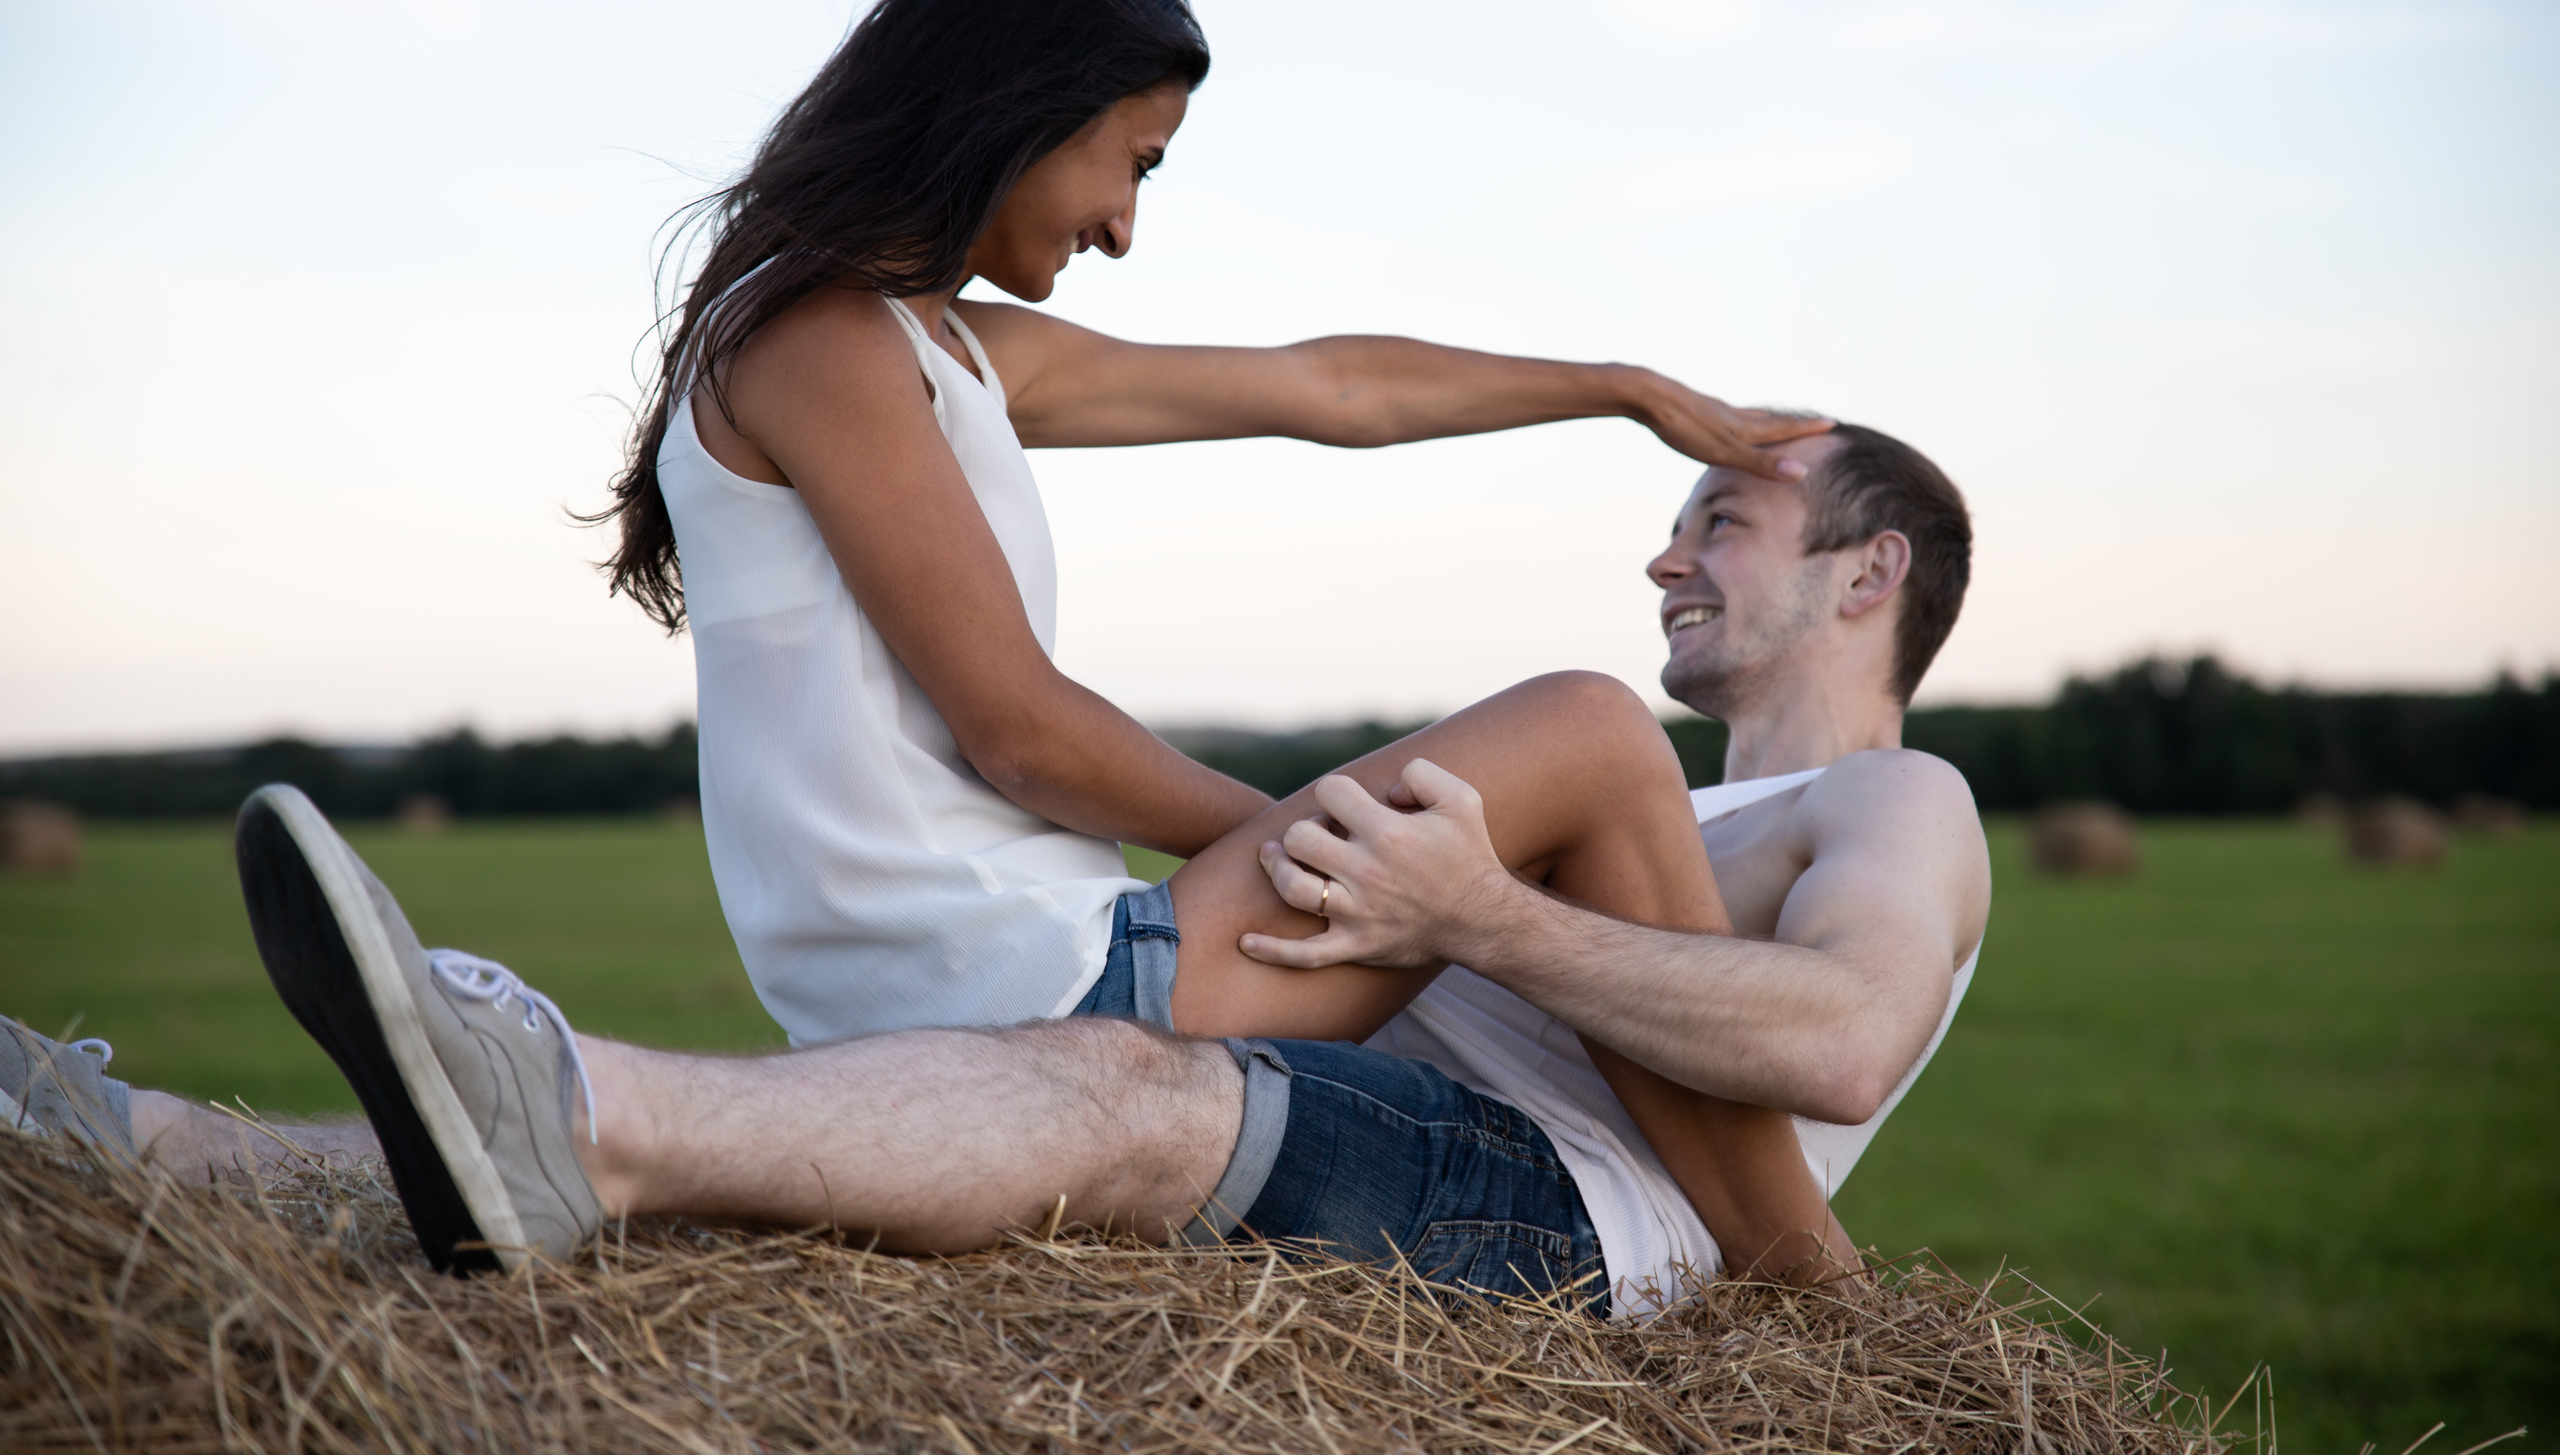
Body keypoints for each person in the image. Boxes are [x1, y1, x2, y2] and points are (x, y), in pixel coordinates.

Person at [11, 425, 1990, 1316]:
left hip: (1558, 1216)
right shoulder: (1625, 788)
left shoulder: (1901, 809)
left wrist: (1479, 913)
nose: (1669, 554)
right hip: (1392, 1102)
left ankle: (577, 1102)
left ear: (1863, 570)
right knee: (842, 1155)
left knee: (1124, 1095)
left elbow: (1833, 1037)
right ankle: (156, 1145)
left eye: (1716, 519)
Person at [590, 0, 1839, 1247]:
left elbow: (1334, 386)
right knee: (1592, 733)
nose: (1123, 223)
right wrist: (1350, 853)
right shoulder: (821, 343)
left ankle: (1778, 1263)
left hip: (1025, 981)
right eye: (1134, 161)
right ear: (1022, 108)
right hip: (1026, 1002)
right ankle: (1817, 1295)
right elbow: (1022, 736)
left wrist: (1614, 386)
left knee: (1554, 780)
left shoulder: (937, 349)